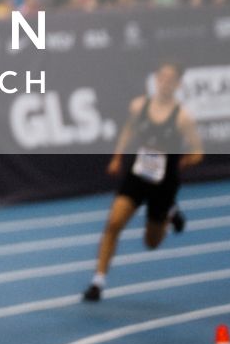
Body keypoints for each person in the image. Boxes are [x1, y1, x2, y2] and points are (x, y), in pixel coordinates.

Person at [83, 60, 203, 301]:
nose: (166, 83)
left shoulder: (183, 118)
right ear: (156, 79)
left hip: (164, 180)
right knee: (114, 222)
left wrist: (187, 160)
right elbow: (128, 130)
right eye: (162, 77)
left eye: (171, 79)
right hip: (139, 173)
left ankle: (169, 211)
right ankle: (98, 281)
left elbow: (198, 151)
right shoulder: (139, 106)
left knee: (151, 242)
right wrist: (117, 158)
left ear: (178, 84)